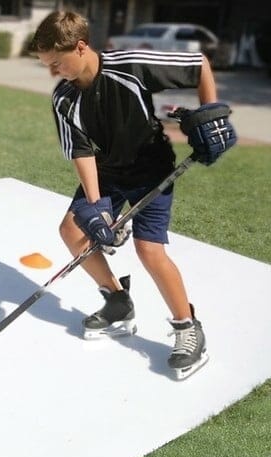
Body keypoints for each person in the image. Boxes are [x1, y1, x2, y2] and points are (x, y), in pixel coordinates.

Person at [27, 11, 236, 380]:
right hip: (106, 173)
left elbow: (198, 64)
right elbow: (82, 152)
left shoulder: (131, 65)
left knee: (149, 250)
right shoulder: (63, 99)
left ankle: (189, 328)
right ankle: (118, 302)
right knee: (73, 231)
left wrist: (210, 115)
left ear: (80, 47)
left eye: (56, 63)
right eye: (47, 65)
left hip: (150, 169)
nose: (53, 72)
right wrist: (96, 207)